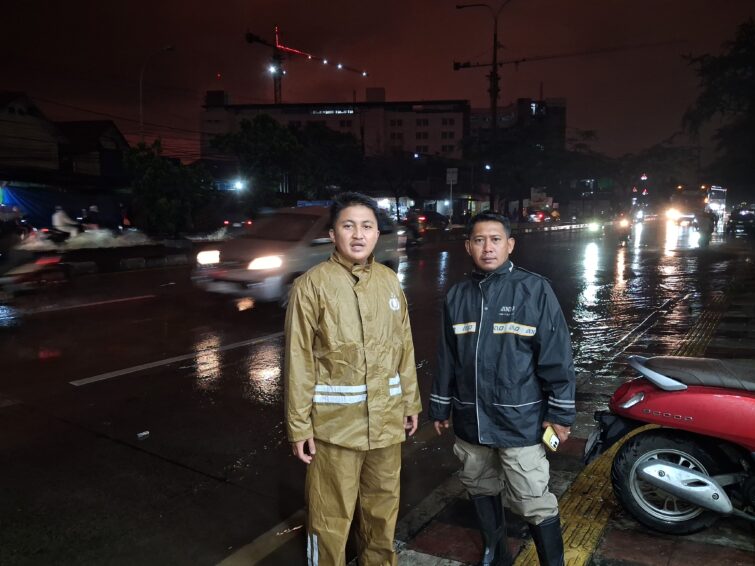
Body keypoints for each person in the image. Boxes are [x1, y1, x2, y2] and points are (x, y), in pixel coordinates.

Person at [284, 192, 422, 566]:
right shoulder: (312, 285)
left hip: (387, 423)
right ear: (332, 234)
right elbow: (299, 360)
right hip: (335, 429)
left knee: (382, 511)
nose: (358, 235)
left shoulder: (389, 282)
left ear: (377, 233)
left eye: (367, 226)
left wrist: (410, 402)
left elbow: (404, 347)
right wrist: (299, 426)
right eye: (348, 226)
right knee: (330, 518)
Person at [430, 211, 575, 566]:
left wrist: (559, 413)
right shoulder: (457, 296)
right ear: (468, 246)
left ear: (510, 244)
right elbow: (447, 356)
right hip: (471, 419)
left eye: (495, 239)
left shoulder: (534, 289)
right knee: (479, 484)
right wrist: (440, 406)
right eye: (479, 240)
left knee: (532, 497)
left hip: (519, 421)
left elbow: (557, 356)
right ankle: (496, 553)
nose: (487, 248)